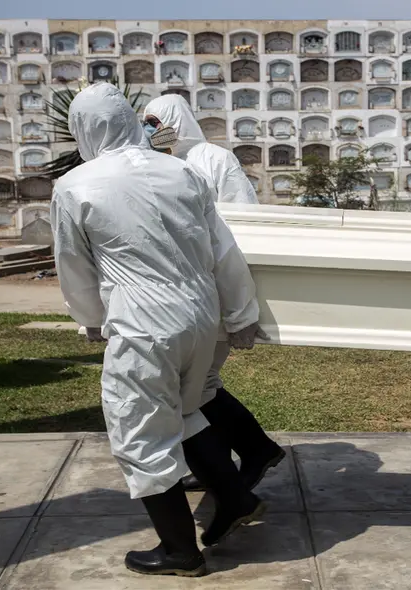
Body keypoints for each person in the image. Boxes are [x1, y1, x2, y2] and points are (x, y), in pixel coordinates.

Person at [52, 83, 267, 578]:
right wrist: (240, 315)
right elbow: (222, 249)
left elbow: (74, 265)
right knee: (188, 410)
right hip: (200, 314)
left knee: (139, 431)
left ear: (82, 129)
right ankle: (233, 498)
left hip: (143, 320)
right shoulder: (182, 171)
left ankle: (179, 552)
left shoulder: (77, 185)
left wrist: (90, 319)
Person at [142, 94, 285, 492]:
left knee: (198, 382)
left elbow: (242, 219)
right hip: (181, 286)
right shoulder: (154, 163)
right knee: (200, 381)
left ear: (177, 119)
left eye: (156, 121)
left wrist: (238, 301)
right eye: (146, 123)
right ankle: (230, 459)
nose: (151, 129)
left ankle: (247, 454)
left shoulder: (213, 159)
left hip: (217, 281)